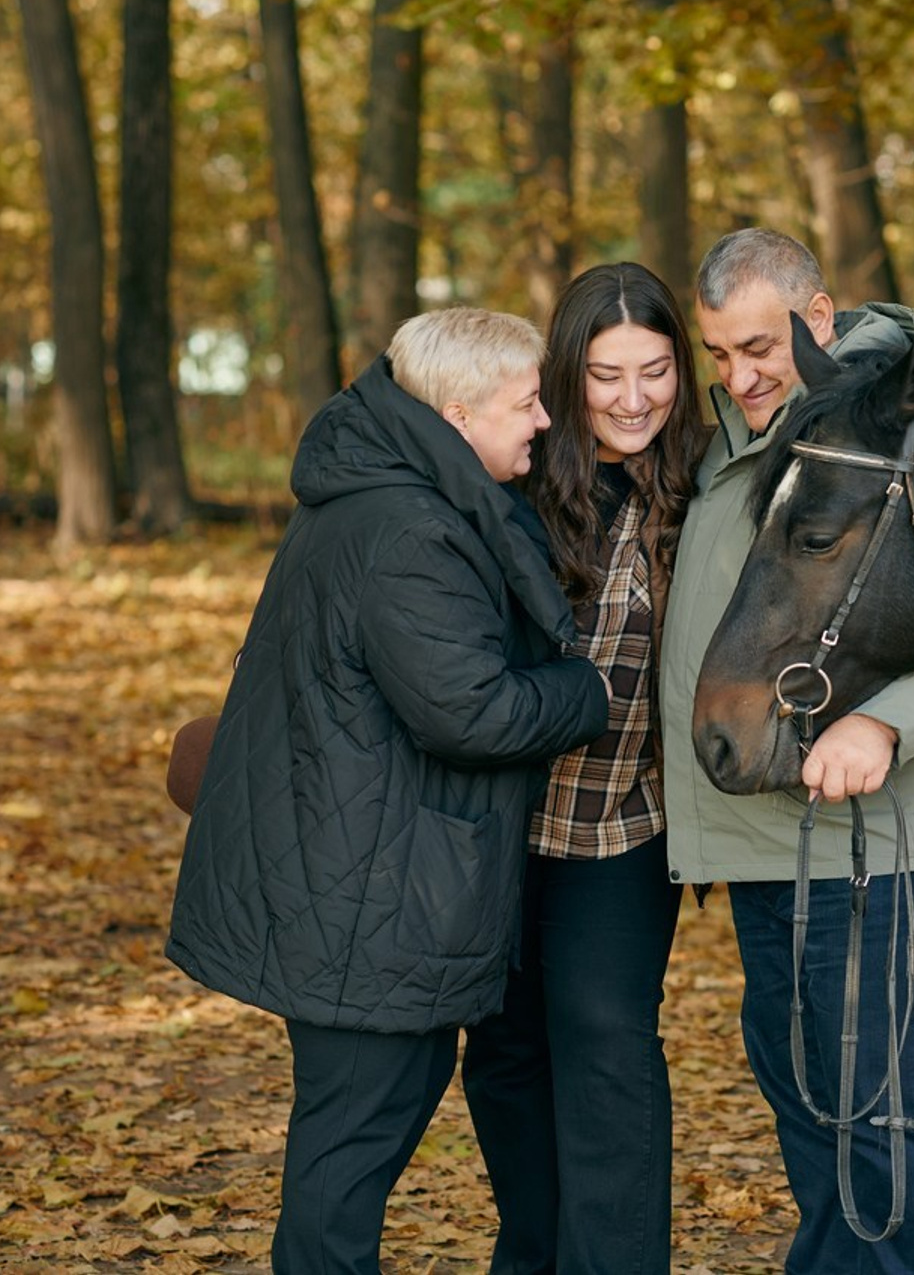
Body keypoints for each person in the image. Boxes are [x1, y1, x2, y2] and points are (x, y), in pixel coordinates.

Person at [165, 307, 612, 1275]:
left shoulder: (382, 493)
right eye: (525, 402)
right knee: (349, 1149)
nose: (543, 421)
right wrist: (588, 688)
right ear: (456, 414)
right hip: (364, 894)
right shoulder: (411, 529)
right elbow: (474, 713)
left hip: (354, 874)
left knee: (351, 1135)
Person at [660, 228, 914, 1274]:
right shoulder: (740, 430)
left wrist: (886, 720)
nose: (738, 375)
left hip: (878, 840)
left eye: (759, 346)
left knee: (878, 1104)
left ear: (819, 316)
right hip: (762, 830)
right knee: (804, 1094)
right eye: (717, 353)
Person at [462, 262, 709, 1275]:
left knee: (604, 1038)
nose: (633, 398)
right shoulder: (513, 479)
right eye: (607, 375)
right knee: (506, 1058)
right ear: (568, 377)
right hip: (500, 818)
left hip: (622, 819)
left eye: (653, 370)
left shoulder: (704, 484)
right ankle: (533, 1256)